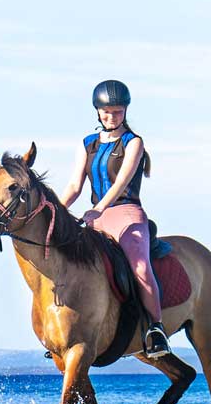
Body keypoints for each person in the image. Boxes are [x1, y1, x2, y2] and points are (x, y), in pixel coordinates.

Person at [58, 79, 170, 356]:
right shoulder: (87, 144)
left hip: (126, 214)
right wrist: (55, 211)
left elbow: (121, 182)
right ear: (97, 111)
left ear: (125, 111)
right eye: (107, 112)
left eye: (117, 112)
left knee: (140, 267)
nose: (112, 117)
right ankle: (62, 328)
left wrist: (100, 208)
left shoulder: (134, 142)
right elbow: (74, 186)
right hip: (95, 218)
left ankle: (156, 329)